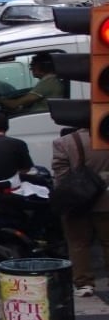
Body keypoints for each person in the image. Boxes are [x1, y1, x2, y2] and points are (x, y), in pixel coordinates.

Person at [52, 127, 109, 296]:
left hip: (76, 203)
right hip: (106, 200)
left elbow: (60, 174)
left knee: (78, 243)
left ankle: (84, 283)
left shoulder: (63, 142)